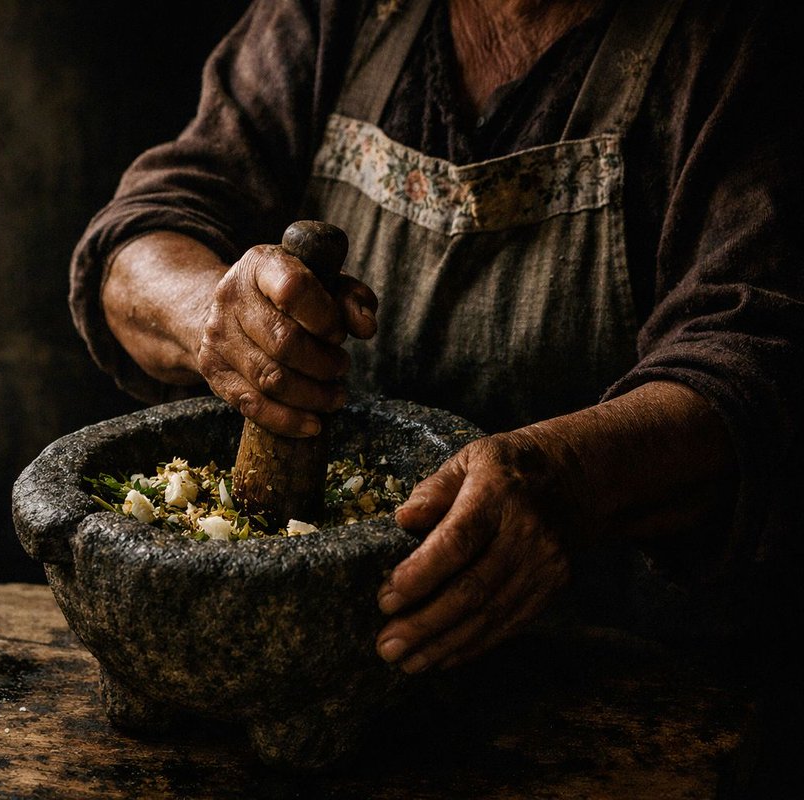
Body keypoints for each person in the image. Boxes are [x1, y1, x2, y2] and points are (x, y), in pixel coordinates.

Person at [69, 0, 802, 677]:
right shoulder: (332, 14)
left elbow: (759, 354)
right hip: (324, 656)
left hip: (620, 670)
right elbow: (142, 237)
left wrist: (576, 477)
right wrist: (211, 314)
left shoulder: (735, 42)